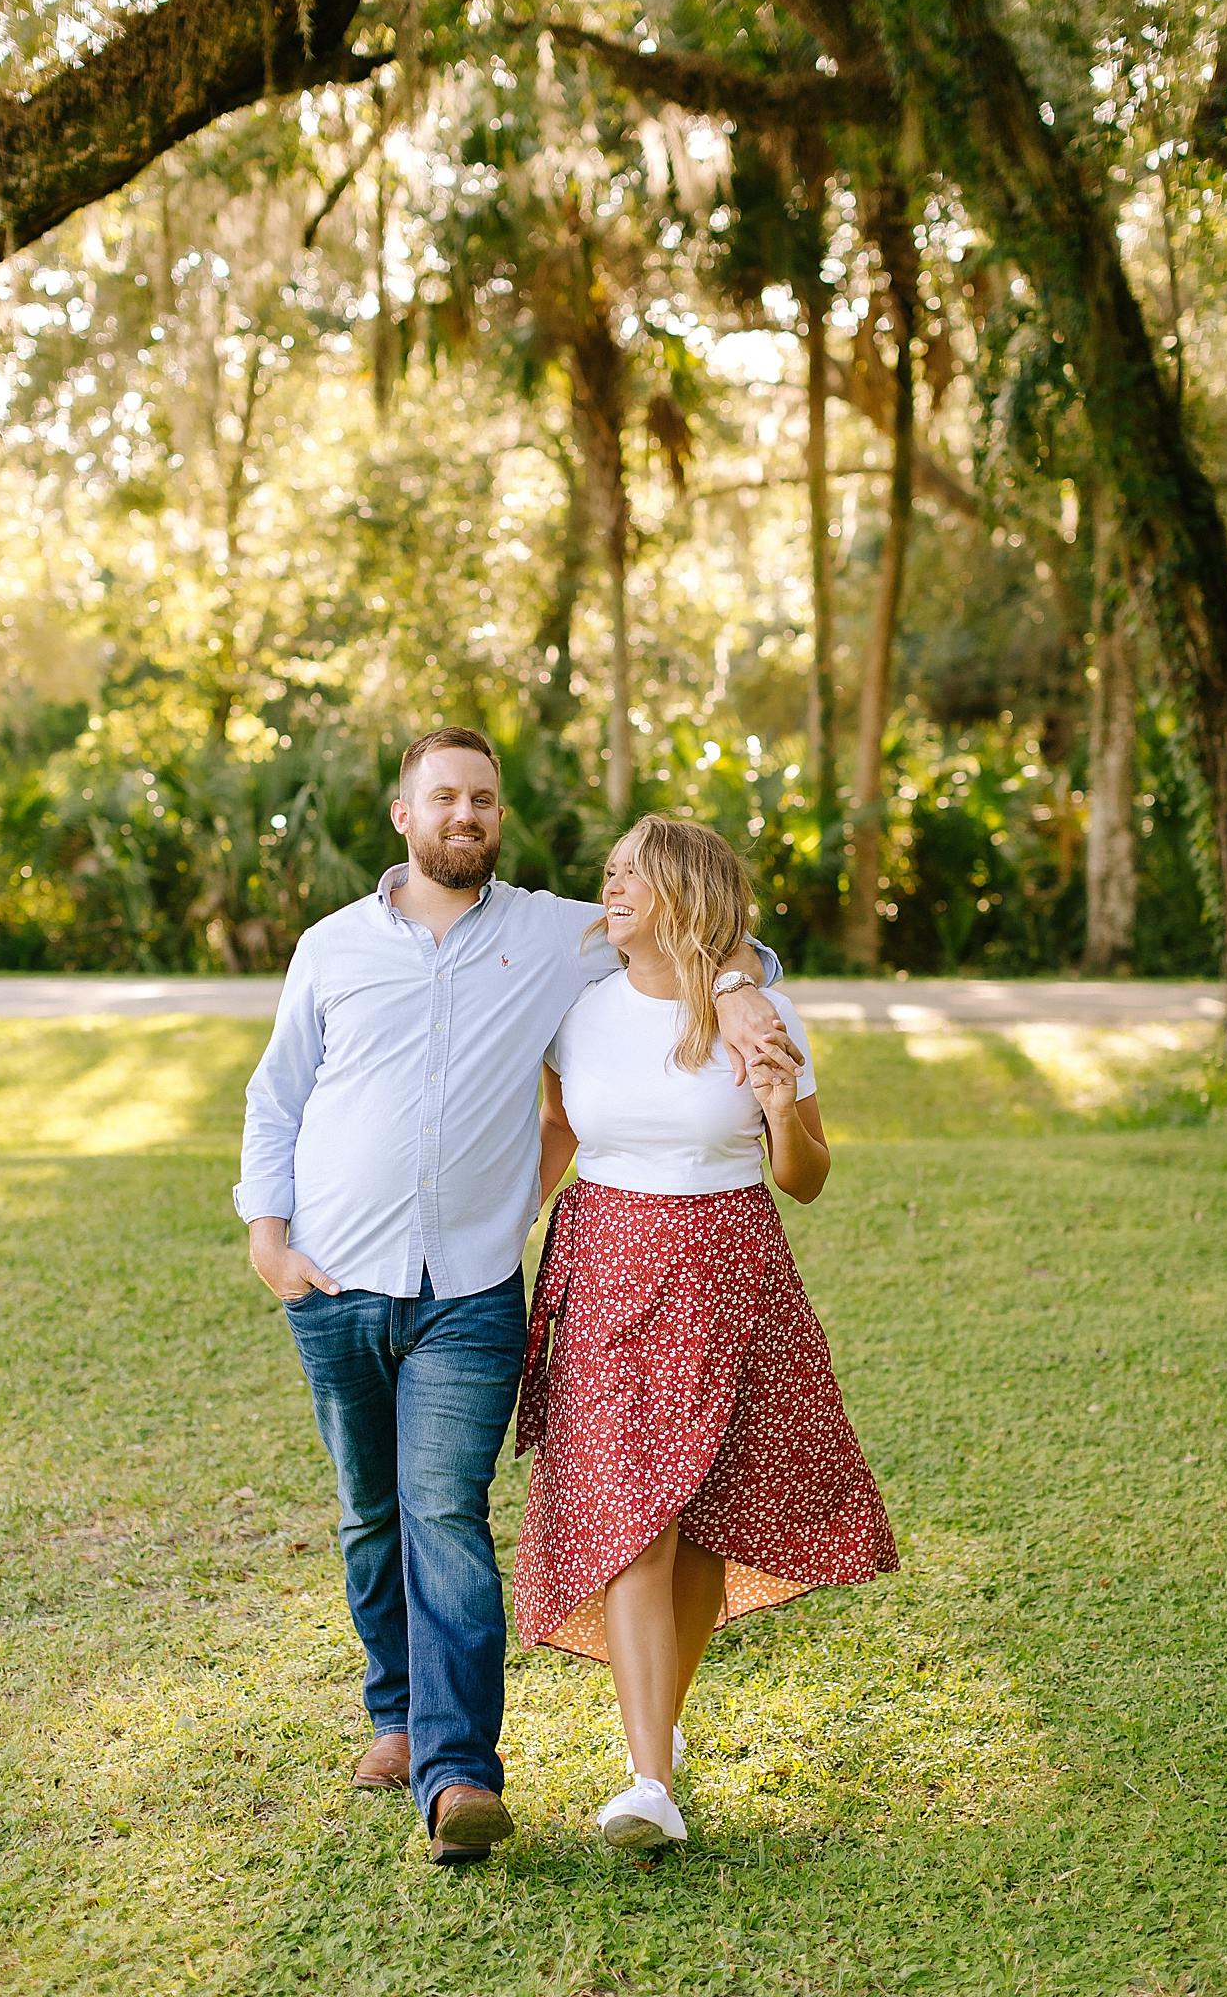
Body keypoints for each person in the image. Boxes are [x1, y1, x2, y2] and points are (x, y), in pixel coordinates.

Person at [233, 728, 797, 1865]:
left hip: (471, 1289)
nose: (466, 814)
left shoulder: (555, 934)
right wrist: (268, 1237)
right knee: (368, 1509)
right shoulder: (332, 946)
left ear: (499, 816)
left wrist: (737, 987)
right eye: (444, 796)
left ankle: (456, 1777)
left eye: (483, 798)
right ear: (403, 813)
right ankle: (392, 1710)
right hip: (335, 1277)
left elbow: (709, 934)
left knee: (441, 1506)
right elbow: (278, 1089)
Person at [512, 814, 899, 1853]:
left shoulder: (759, 1013)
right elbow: (558, 1129)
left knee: (702, 1512)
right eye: (609, 870)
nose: (612, 883)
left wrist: (780, 1105)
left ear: (686, 890)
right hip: (607, 1261)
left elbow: (807, 1176)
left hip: (732, 1262)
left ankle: (655, 1756)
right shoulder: (577, 1011)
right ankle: (649, 1774)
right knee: (638, 1511)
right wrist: (500, 1235)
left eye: (634, 871)